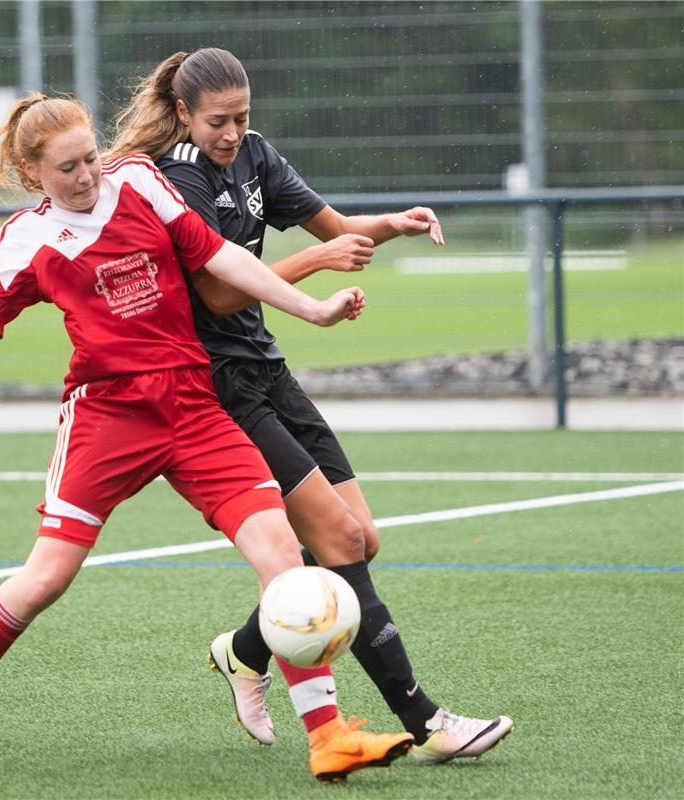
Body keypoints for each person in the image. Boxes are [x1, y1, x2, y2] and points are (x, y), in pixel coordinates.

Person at [0, 93, 415, 788]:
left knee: (281, 552)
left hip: (193, 406)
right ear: (30, 169)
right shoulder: (27, 237)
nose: (86, 176)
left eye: (89, 159)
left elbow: (221, 256)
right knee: (45, 579)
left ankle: (328, 737)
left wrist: (311, 309)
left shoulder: (135, 179)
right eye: (67, 168)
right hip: (109, 417)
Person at [107, 48, 513, 764]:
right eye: (217, 122)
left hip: (268, 371)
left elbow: (334, 226)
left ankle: (241, 651)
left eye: (242, 118)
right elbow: (221, 292)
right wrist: (314, 267)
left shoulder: (255, 156)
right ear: (182, 115)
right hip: (219, 387)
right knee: (340, 544)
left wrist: (395, 221)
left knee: (360, 537)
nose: (231, 133)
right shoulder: (177, 177)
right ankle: (427, 722)